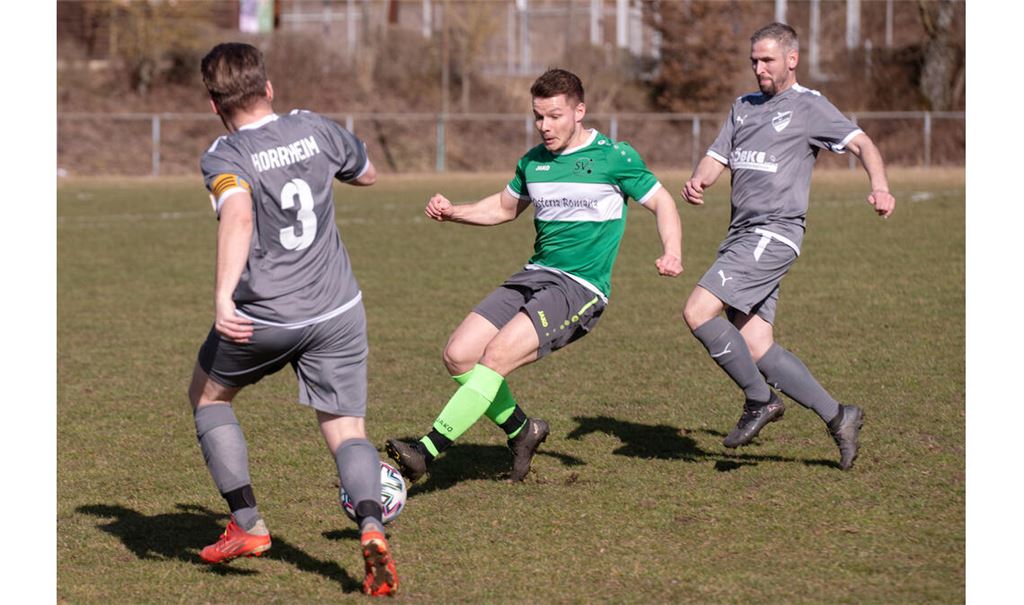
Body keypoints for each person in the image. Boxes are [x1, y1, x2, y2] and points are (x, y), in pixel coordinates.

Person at [386, 68, 683, 483]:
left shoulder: (615, 157)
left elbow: (663, 202)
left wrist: (672, 251)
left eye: (555, 116)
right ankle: (523, 431)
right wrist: (455, 212)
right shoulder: (533, 163)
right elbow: (504, 209)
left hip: (579, 288)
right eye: (538, 116)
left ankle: (427, 448)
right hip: (534, 275)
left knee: (496, 357)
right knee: (458, 354)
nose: (545, 126)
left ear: (579, 111)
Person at [187, 42, 397, 596]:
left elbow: (236, 214)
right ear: (269, 88)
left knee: (208, 398)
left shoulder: (224, 154)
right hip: (337, 309)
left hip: (267, 316)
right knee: (347, 429)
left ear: (213, 102)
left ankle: (247, 524)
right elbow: (368, 173)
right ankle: (372, 527)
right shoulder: (315, 128)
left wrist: (223, 298)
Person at [680, 23, 896, 470]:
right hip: (740, 234)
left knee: (698, 311)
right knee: (757, 345)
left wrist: (880, 186)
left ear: (791, 59)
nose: (758, 68)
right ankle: (840, 416)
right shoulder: (742, 107)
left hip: (773, 232)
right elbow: (717, 156)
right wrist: (701, 179)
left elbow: (862, 143)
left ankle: (759, 400)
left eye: (768, 60)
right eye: (754, 61)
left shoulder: (809, 107)